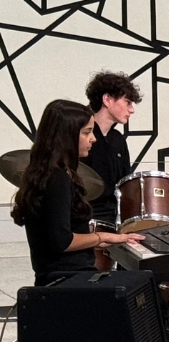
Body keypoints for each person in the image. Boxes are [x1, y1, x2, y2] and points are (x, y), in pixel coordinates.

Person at [11, 99, 143, 286]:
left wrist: (111, 239)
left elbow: (60, 233)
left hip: (66, 276)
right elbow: (62, 241)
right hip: (66, 279)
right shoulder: (57, 179)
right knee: (141, 283)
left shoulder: (48, 174)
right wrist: (102, 236)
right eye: (87, 132)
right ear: (66, 136)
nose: (93, 139)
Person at [84, 70, 142, 227]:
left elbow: (125, 183)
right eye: (127, 102)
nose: (132, 110)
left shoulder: (118, 139)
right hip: (85, 219)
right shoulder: (79, 136)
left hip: (113, 220)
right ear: (107, 99)